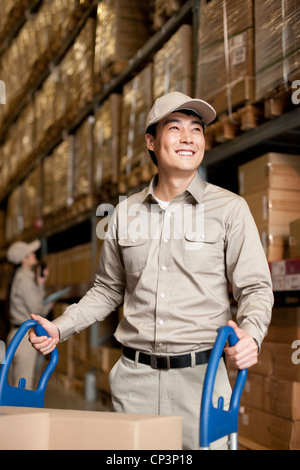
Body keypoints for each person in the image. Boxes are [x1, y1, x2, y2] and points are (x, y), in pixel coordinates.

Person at [29, 91, 273, 450]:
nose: (188, 138)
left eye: (196, 129)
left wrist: (251, 335)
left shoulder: (230, 209)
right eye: (175, 128)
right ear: (151, 142)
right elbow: (108, 289)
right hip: (135, 380)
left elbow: (255, 287)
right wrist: (59, 328)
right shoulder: (124, 214)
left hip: (202, 383)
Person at [6, 239, 53, 389]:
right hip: (25, 337)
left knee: (13, 386)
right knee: (22, 388)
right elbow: (37, 310)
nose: (34, 254)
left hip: (16, 334)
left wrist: (39, 283)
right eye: (30, 253)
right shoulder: (25, 279)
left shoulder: (20, 277)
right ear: (23, 259)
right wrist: (50, 302)